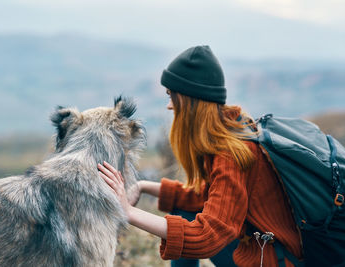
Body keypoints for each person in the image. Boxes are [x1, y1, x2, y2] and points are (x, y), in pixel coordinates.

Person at [98, 45, 302, 266]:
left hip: (274, 259)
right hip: (265, 248)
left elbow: (206, 236)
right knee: (184, 210)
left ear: (190, 100)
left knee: (189, 220)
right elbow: (205, 196)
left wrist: (128, 212)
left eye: (172, 96)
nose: (168, 106)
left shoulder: (231, 154)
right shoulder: (230, 129)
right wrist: (143, 186)